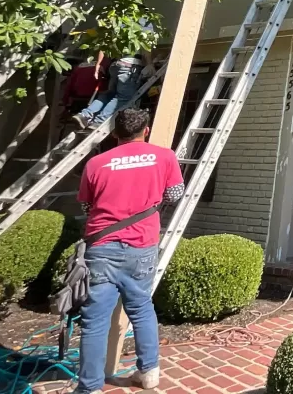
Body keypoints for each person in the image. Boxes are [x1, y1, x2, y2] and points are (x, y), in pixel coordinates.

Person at [75, 108, 184, 394]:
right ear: (145, 130)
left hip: (101, 247)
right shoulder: (164, 156)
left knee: (95, 319)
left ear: (114, 134)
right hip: (142, 245)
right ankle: (148, 373)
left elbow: (86, 206)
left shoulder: (96, 163)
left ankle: (89, 388)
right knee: (141, 307)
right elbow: (174, 194)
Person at [72, 20, 155, 129]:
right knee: (124, 98)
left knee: (110, 94)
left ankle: (85, 115)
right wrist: (150, 64)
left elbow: (104, 44)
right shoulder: (144, 21)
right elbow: (146, 45)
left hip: (115, 65)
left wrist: (99, 64)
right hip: (130, 66)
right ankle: (98, 122)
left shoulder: (119, 18)